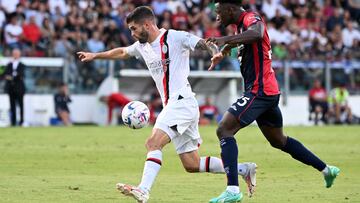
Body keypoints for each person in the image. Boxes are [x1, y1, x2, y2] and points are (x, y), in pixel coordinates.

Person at [77, 6, 257, 203]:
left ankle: (143, 190)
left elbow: (203, 43)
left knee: (153, 143)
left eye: (134, 29)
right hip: (177, 105)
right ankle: (243, 169)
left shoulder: (175, 37)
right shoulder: (142, 46)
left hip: (181, 101)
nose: (132, 33)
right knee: (191, 163)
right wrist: (95, 55)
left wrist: (215, 52)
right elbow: (122, 52)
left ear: (147, 24)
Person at [206, 1, 340, 202]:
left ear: (230, 9)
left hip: (260, 91)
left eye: (218, 12)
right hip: (267, 91)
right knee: (279, 141)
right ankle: (326, 169)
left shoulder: (251, 18)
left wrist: (224, 39)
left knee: (224, 129)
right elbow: (246, 39)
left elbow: (257, 33)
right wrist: (225, 49)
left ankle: (233, 189)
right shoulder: (241, 27)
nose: (217, 17)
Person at [4, 48, 26, 126]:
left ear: (19, 55)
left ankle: (21, 121)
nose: (15, 55)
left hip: (20, 89)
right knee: (12, 106)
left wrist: (12, 77)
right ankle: (13, 122)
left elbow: (21, 75)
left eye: (17, 54)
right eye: (14, 54)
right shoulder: (9, 64)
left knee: (21, 105)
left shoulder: (22, 65)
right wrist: (14, 76)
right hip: (11, 89)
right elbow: (5, 75)